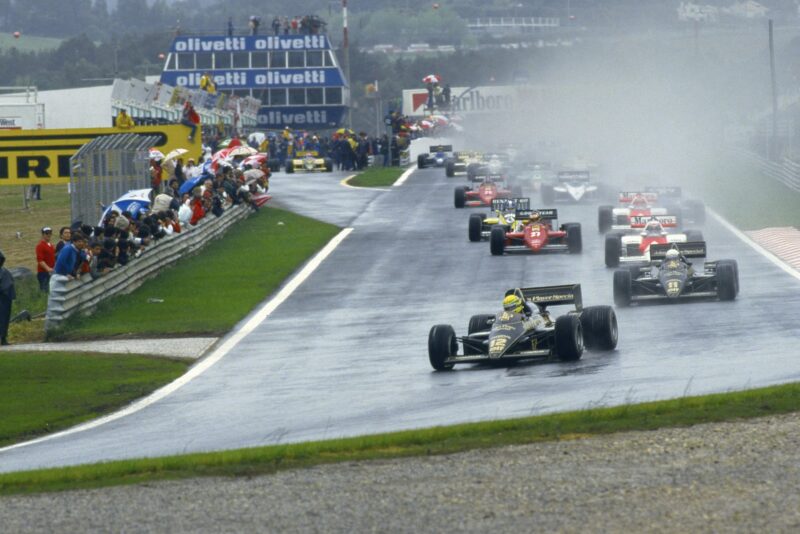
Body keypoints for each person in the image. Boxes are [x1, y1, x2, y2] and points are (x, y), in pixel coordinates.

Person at [0, 250, 15, 345]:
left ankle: (3, 338)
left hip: (4, 298)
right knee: (4, 318)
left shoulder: (4, 272)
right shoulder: (5, 272)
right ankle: (3, 338)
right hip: (5, 298)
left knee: (4, 318)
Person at [35, 226, 55, 292]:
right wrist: (48, 269)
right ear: (43, 234)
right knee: (45, 291)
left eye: (50, 233)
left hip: (51, 271)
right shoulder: (40, 245)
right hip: (43, 272)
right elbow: (40, 260)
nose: (48, 235)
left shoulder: (51, 245)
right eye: (46, 233)